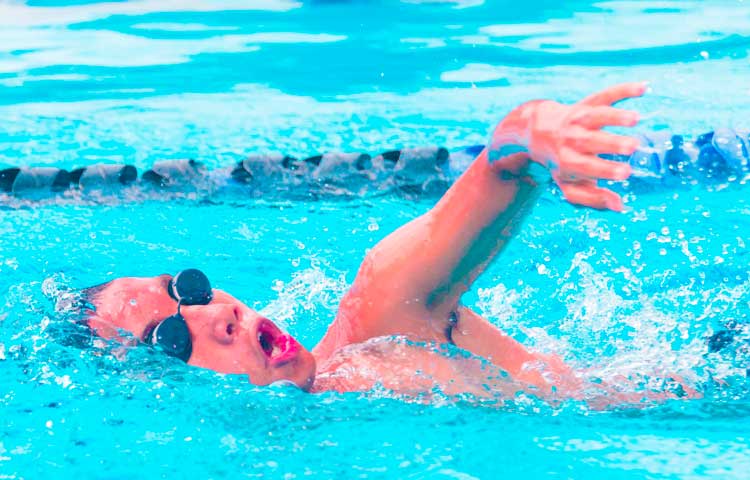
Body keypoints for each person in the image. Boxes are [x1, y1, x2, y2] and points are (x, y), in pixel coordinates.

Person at [81, 82, 683, 404]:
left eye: (189, 288)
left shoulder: (380, 322)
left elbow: (500, 162)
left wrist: (540, 133)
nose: (218, 313)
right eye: (168, 337)